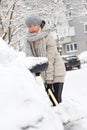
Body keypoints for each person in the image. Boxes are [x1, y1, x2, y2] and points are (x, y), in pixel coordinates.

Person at [23, 13, 66, 105]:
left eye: (34, 25)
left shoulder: (48, 36)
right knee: (50, 100)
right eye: (30, 26)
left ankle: (62, 116)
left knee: (56, 100)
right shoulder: (28, 39)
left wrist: (49, 81)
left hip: (56, 70)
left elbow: (49, 60)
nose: (32, 28)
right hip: (44, 71)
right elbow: (29, 58)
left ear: (39, 25)